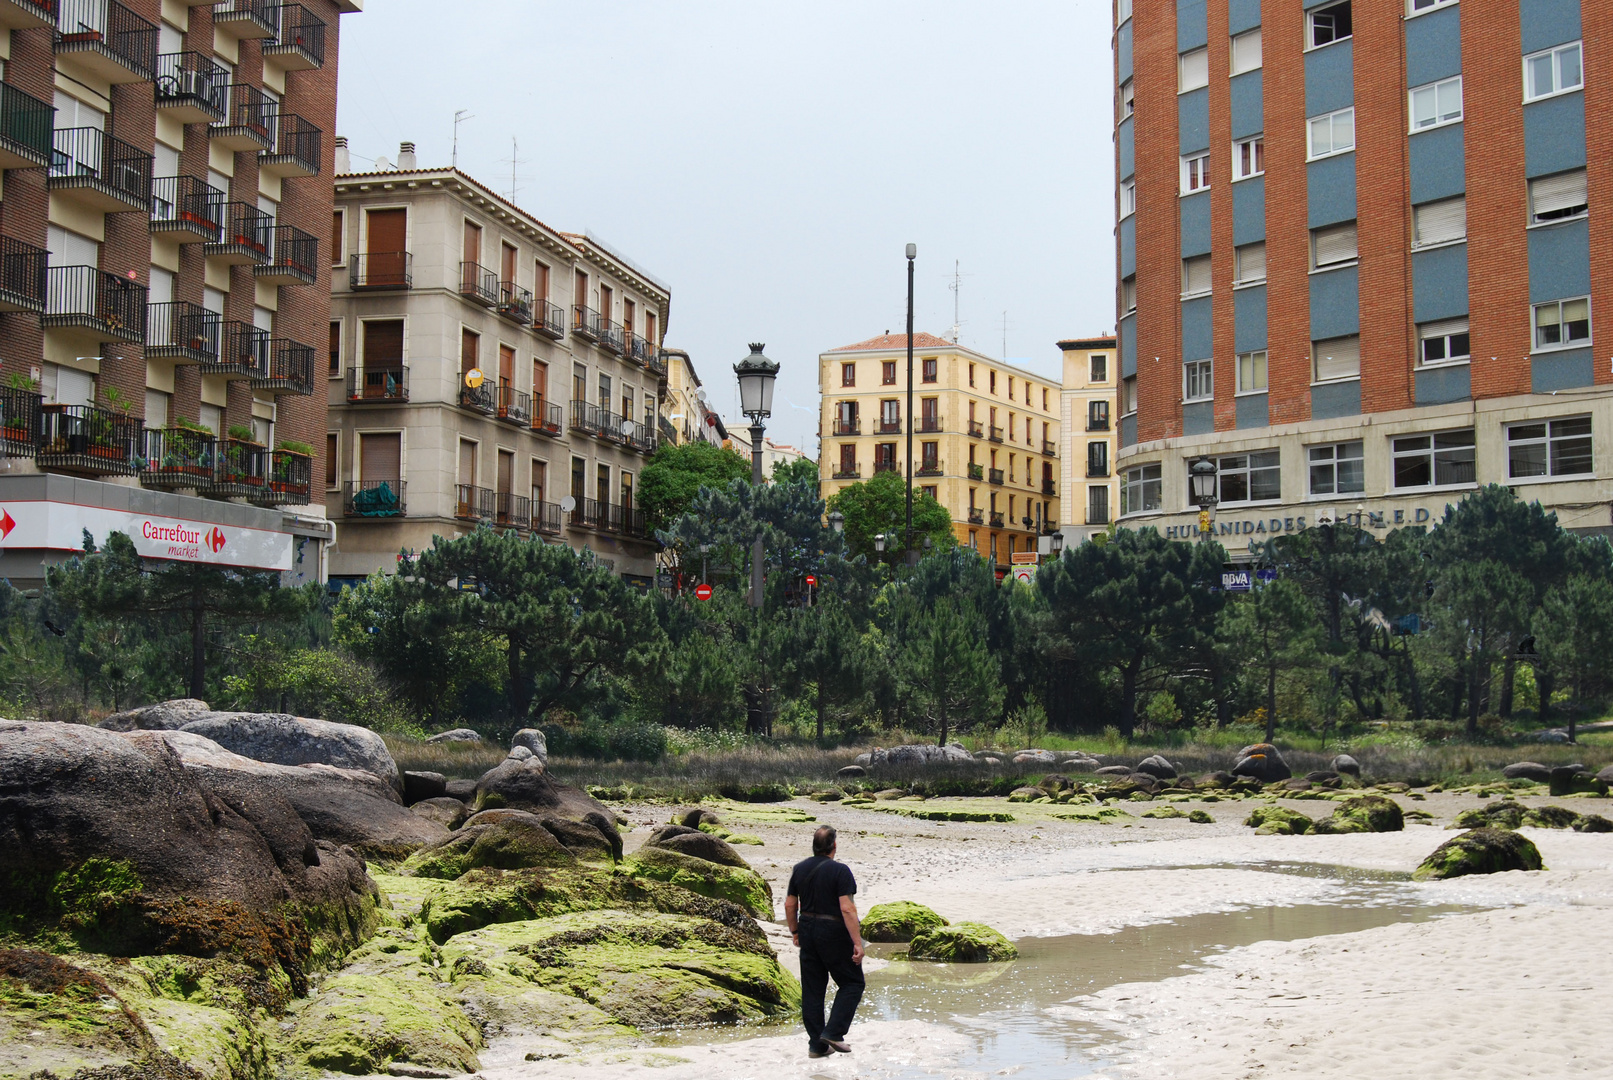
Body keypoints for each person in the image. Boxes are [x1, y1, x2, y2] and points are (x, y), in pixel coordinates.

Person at [784, 824, 865, 1059]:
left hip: (807, 928)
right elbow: (847, 909)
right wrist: (857, 943)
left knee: (812, 989)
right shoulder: (841, 871)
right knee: (852, 983)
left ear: (814, 846)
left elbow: (790, 904)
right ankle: (834, 1033)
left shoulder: (799, 869)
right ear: (834, 846)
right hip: (832, 930)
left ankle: (817, 1046)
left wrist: (795, 931)